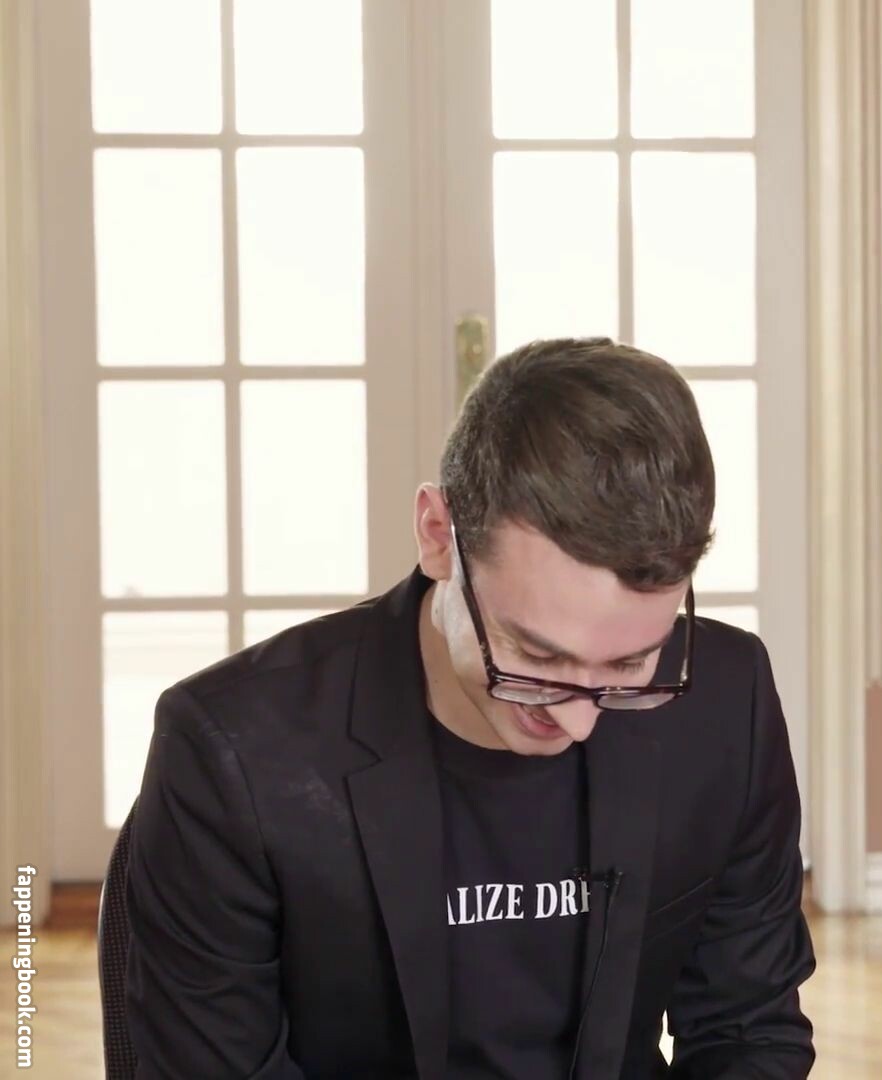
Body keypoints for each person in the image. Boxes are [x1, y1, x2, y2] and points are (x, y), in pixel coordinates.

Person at [125, 338, 815, 1079]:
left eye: (629, 665)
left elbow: (750, 1030)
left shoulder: (725, 699)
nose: (579, 720)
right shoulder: (235, 751)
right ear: (438, 537)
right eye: (536, 657)